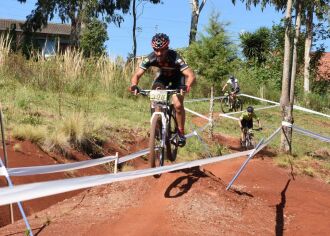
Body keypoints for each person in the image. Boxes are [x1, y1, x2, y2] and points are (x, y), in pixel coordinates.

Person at [130, 33, 196, 147]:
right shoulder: (151, 57)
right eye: (156, 50)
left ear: (167, 48)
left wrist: (187, 85)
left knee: (178, 105)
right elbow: (137, 74)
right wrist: (134, 85)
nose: (159, 53)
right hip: (163, 78)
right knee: (156, 97)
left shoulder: (175, 57)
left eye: (162, 50)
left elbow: (190, 75)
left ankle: (180, 132)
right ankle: (157, 123)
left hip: (178, 79)